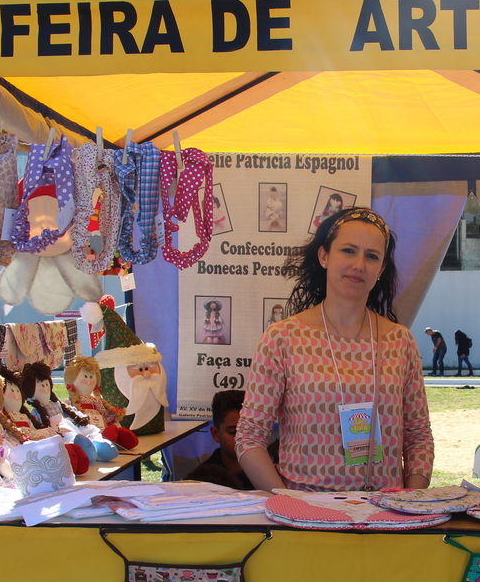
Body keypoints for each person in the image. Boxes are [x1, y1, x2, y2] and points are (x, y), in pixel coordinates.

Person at [236, 207, 434, 492]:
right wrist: (287, 502)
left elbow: (418, 437)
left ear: (380, 269)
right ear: (324, 256)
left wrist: (411, 501)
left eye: (372, 256)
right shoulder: (283, 339)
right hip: (305, 515)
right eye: (349, 251)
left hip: (385, 516)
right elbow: (249, 436)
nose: (359, 264)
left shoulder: (400, 341)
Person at [186, 390, 269, 490]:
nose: (243, 440)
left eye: (250, 432)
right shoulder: (203, 481)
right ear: (215, 434)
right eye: (233, 432)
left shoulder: (271, 473)